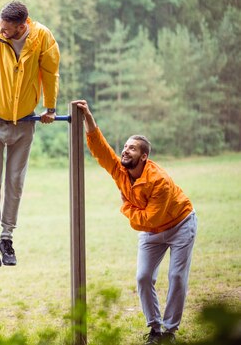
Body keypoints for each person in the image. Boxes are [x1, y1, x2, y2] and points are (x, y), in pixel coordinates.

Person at [74, 100, 197, 345]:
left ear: (144, 155)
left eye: (132, 148)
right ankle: (155, 328)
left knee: (176, 277)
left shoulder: (158, 180)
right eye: (125, 146)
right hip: (152, 231)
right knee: (143, 277)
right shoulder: (120, 170)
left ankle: (170, 332)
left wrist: (126, 206)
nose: (125, 150)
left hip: (180, 223)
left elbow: (149, 219)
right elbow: (99, 147)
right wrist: (87, 115)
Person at [0, 0, 60, 267]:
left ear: (23, 25)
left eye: (8, 29)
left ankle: (7, 238)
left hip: (25, 122)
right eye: (1, 27)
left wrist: (50, 107)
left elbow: (50, 73)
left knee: (16, 182)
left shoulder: (42, 37)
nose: (2, 32)